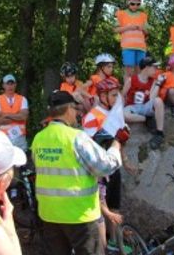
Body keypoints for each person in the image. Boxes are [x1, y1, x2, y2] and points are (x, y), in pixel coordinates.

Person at [31, 90, 122, 255]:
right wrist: (117, 144)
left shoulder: (38, 138)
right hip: (80, 215)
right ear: (68, 110)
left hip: (50, 215)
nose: (76, 114)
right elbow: (105, 167)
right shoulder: (76, 137)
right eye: (75, 109)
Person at [81, 78, 134, 251]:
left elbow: (119, 140)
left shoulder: (115, 113)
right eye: (113, 94)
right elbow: (87, 146)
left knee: (115, 206)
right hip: (100, 169)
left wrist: (125, 161)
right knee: (102, 211)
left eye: (117, 93)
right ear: (102, 96)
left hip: (114, 166)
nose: (117, 97)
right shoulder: (92, 116)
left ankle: (115, 242)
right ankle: (104, 247)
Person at [123, 56, 166, 149]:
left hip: (145, 106)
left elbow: (152, 98)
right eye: (154, 67)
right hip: (132, 107)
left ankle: (159, 133)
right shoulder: (131, 80)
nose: (156, 69)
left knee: (158, 101)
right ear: (147, 67)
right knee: (124, 114)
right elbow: (123, 95)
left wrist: (158, 83)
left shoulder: (153, 81)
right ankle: (147, 119)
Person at [114, 0, 149, 79]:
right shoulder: (121, 14)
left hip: (141, 47)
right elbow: (115, 30)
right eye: (133, 4)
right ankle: (127, 91)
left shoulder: (143, 15)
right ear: (128, 1)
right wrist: (128, 27)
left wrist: (142, 28)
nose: (135, 6)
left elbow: (147, 32)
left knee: (140, 71)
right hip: (128, 46)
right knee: (129, 71)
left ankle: (137, 90)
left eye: (138, 4)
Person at [0, 74, 29, 151]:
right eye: (7, 84)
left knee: (20, 162)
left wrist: (5, 115)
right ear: (3, 85)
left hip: (20, 139)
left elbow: (24, 117)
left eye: (12, 83)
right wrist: (17, 116)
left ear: (15, 85)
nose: (10, 86)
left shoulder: (22, 99)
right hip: (2, 138)